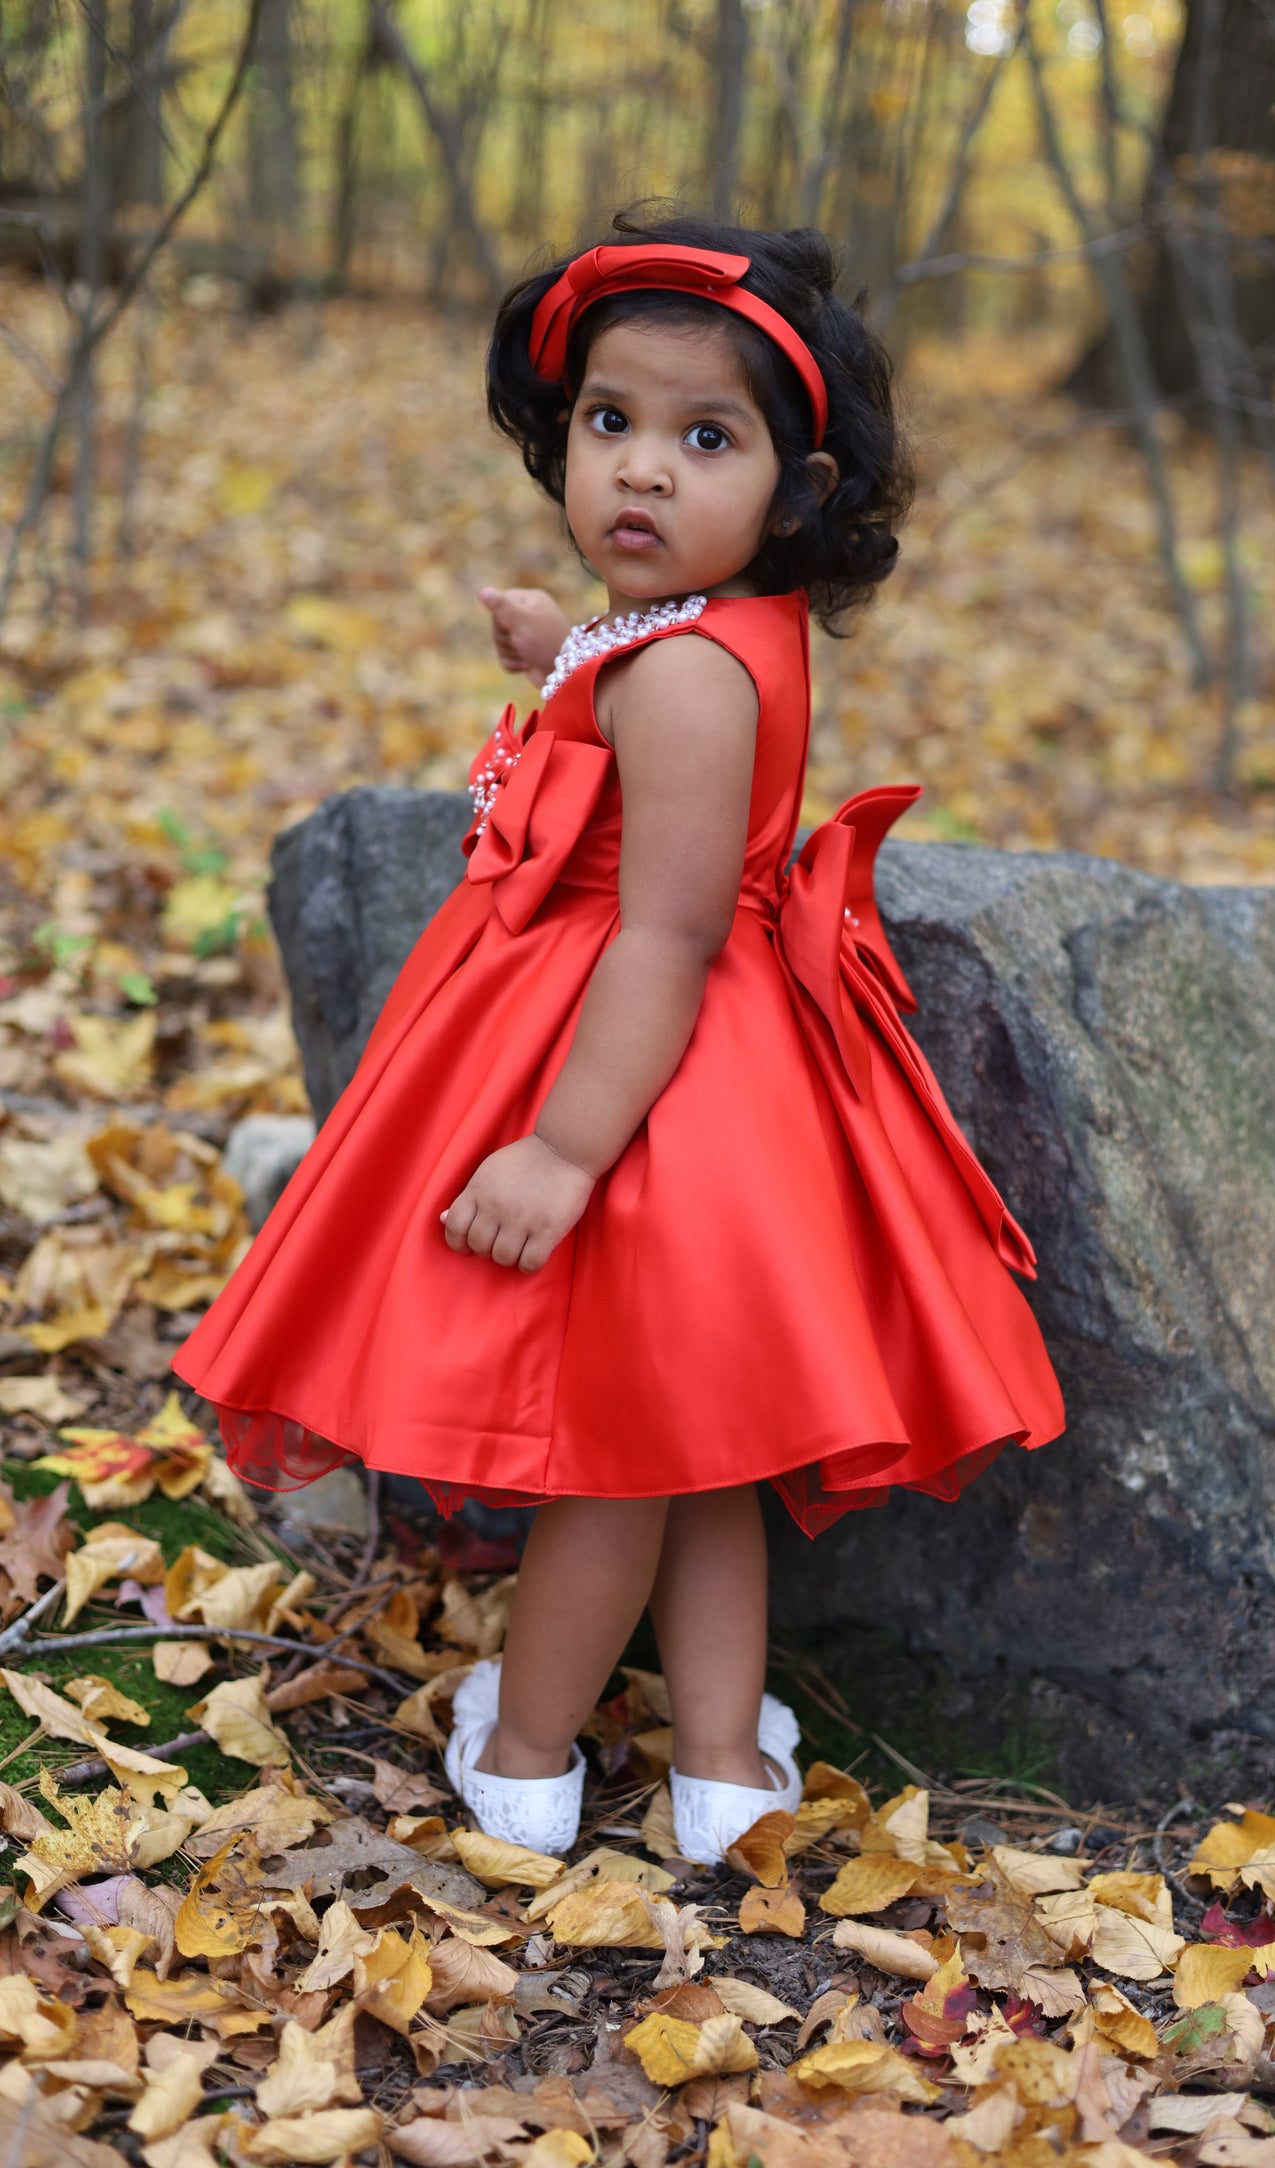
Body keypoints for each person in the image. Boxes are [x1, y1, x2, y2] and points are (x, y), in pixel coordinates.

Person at [172, 211, 1066, 1866]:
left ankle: (521, 1754)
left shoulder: (680, 686)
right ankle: (723, 1769)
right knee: (695, 1443)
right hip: (720, 1087)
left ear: (794, 492)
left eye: (702, 439)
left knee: (606, 1459)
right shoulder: (707, 641)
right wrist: (567, 651)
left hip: (635, 1086)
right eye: (610, 424)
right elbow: (648, 692)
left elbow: (662, 926)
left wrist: (564, 1147)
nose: (641, 473)